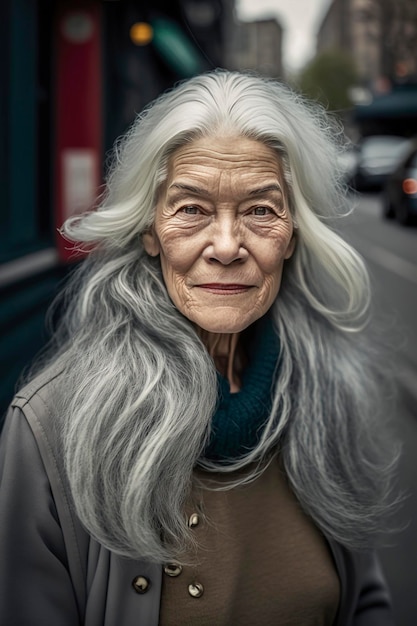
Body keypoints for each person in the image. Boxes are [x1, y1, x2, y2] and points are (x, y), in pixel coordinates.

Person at [0, 70, 399, 626]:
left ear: (294, 234)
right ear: (149, 230)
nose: (228, 246)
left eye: (261, 210)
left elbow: (367, 600)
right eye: (191, 209)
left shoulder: (327, 392)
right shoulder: (51, 426)